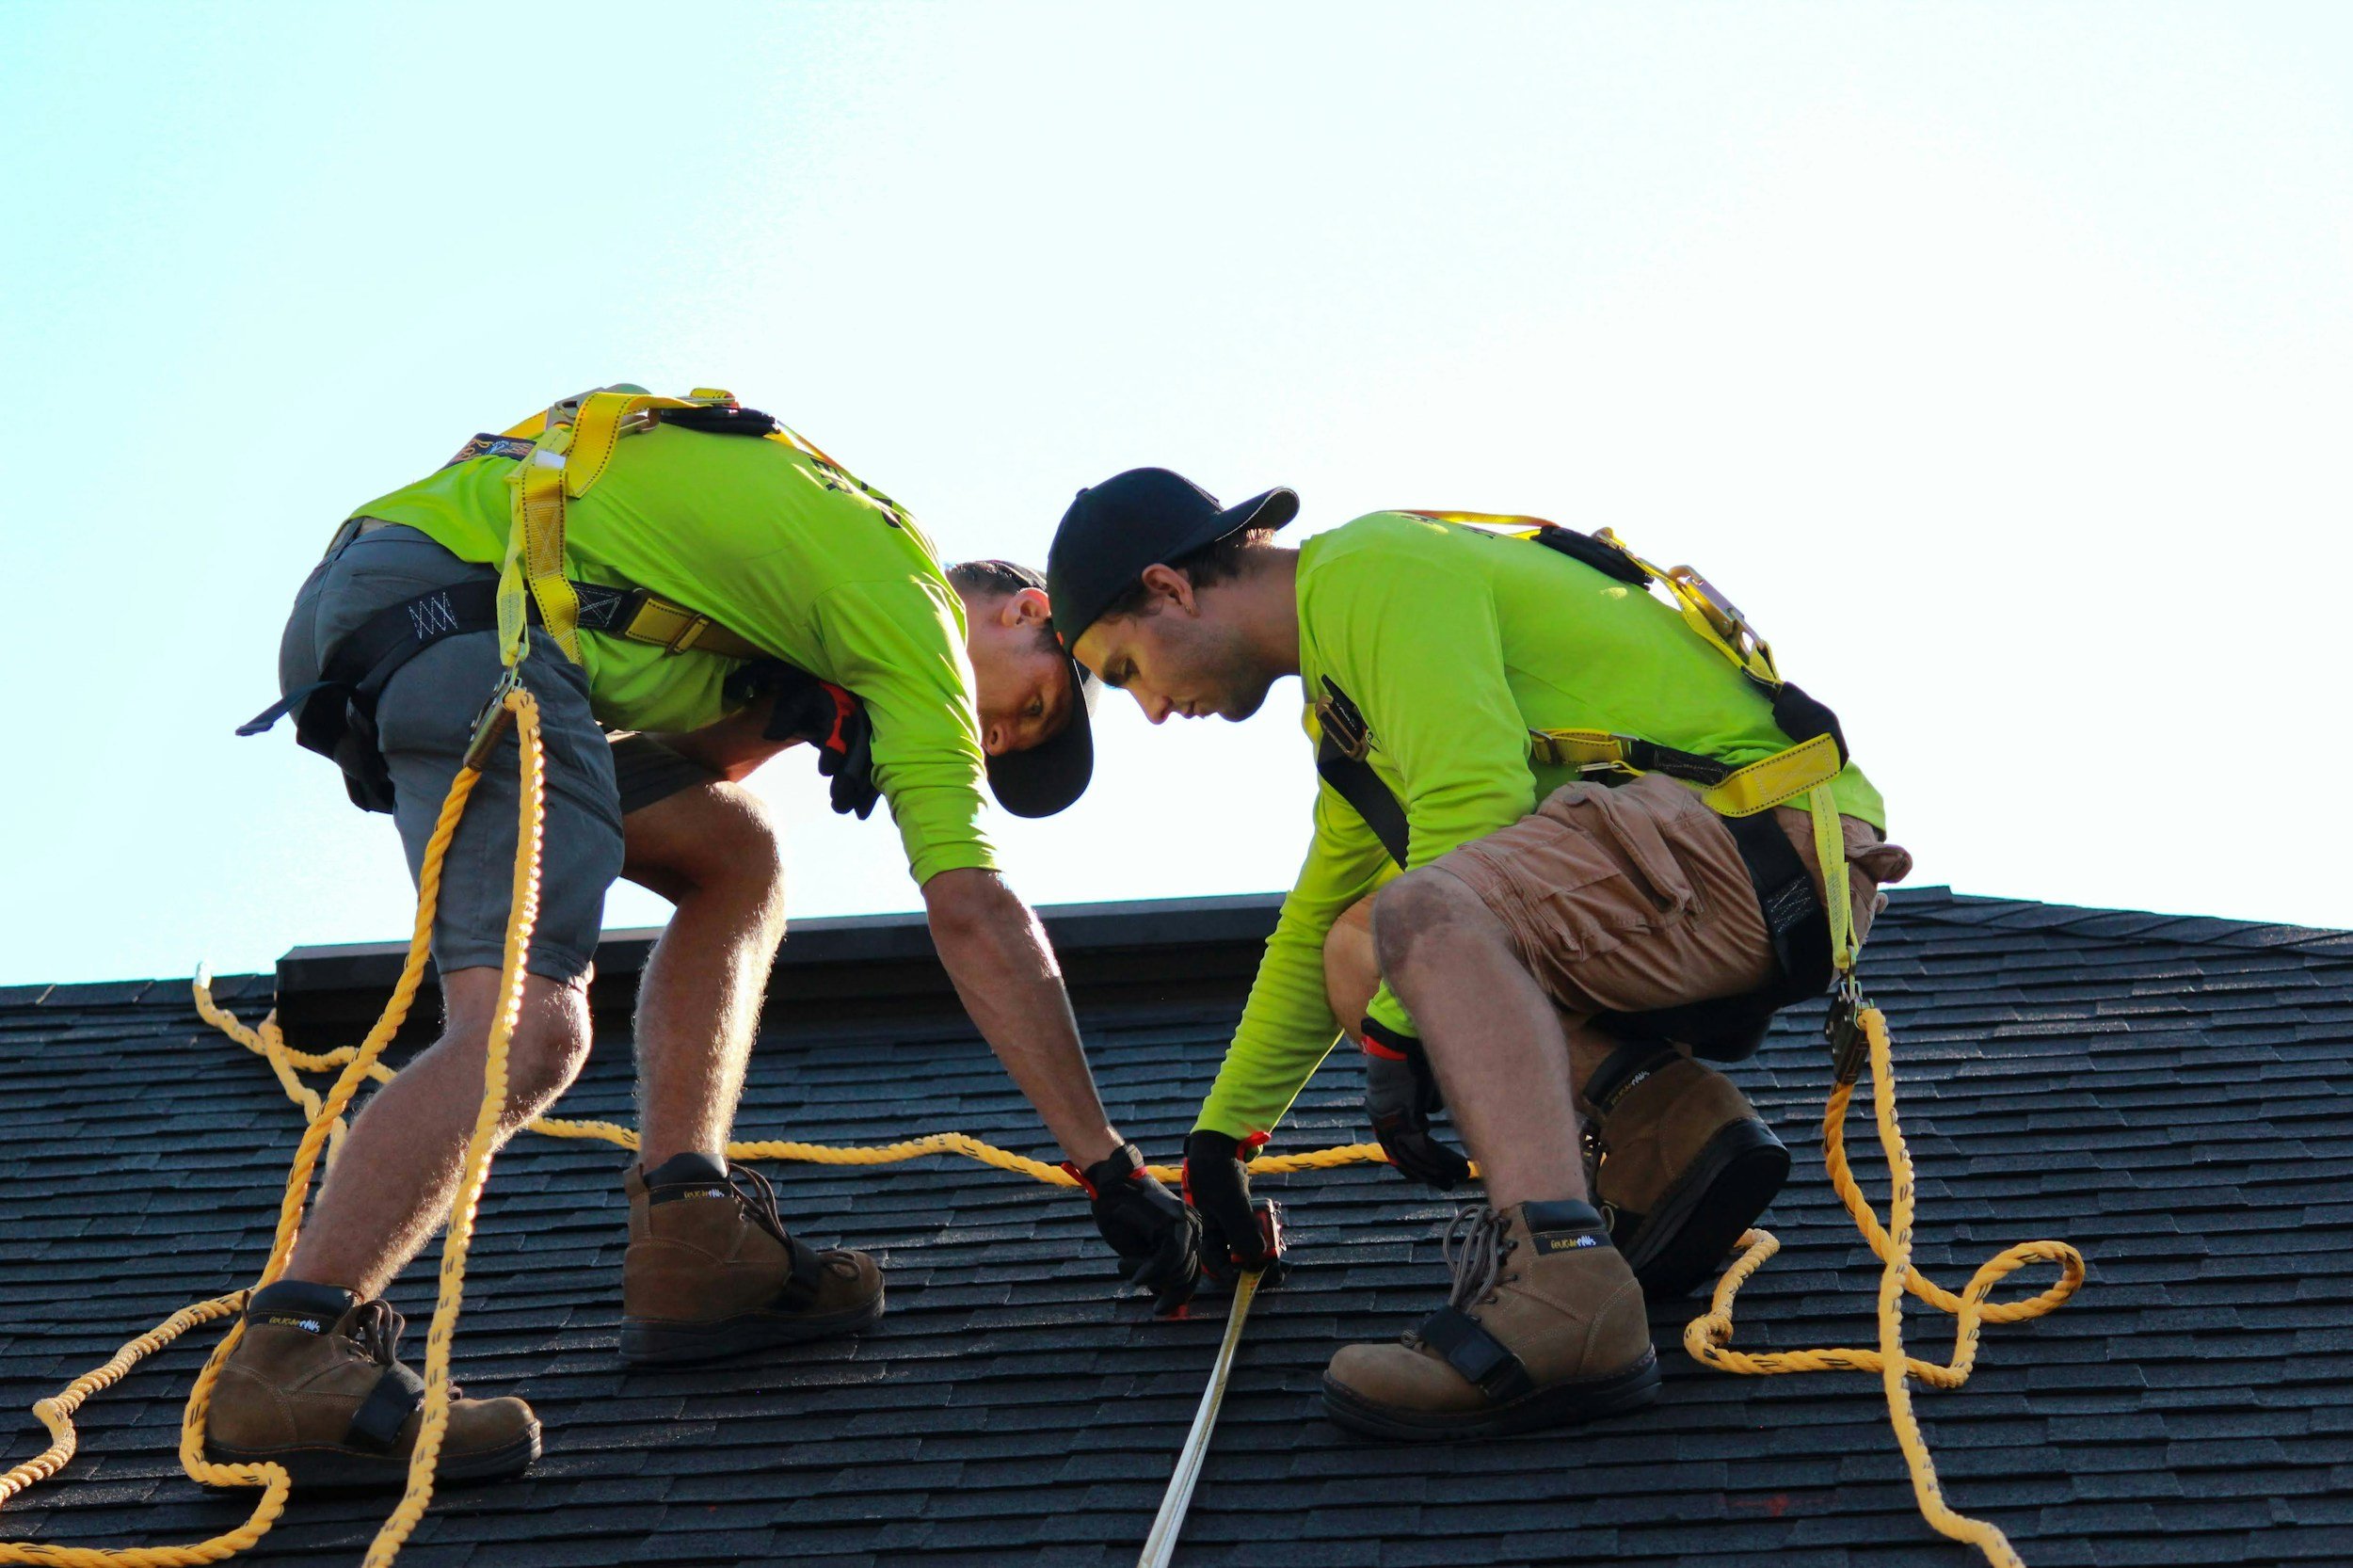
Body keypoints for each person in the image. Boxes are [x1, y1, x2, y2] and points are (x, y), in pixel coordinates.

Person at [211, 392, 1196, 1488]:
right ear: (1021, 611)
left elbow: (667, 770)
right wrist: (1107, 1168)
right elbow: (973, 911)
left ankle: (690, 1235)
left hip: (444, 600)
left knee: (736, 857)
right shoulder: (907, 607)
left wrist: (786, 718)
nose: (996, 737)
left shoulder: (820, 581)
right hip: (463, 617)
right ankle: (290, 1351)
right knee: (532, 1031)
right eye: (1036, 710)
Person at [1043, 468, 1912, 1441]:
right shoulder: (1348, 693)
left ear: (1168, 588)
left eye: (1124, 672)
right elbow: (1319, 915)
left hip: (1760, 842)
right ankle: (1669, 1132)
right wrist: (1222, 1142)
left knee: (1418, 916)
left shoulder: (1371, 569)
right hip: (1719, 862)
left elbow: (1474, 805)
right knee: (1358, 944)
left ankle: (1563, 1281)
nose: (1151, 709)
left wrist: (1402, 1029)